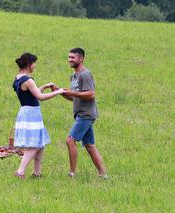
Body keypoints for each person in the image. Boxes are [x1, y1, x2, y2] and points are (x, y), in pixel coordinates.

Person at [13, 52, 65, 180]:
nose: (35, 66)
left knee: (40, 143)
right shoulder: (28, 80)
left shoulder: (18, 78)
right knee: (35, 144)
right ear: (29, 64)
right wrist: (58, 92)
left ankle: (37, 173)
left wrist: (44, 86)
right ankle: (20, 171)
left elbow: (31, 93)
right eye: (34, 63)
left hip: (26, 112)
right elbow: (40, 97)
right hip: (31, 114)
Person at [61, 47, 108, 179]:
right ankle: (103, 174)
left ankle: (72, 173)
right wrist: (61, 93)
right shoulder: (73, 76)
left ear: (81, 59)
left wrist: (72, 93)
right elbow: (74, 97)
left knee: (70, 140)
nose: (70, 60)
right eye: (69, 57)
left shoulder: (85, 74)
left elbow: (91, 94)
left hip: (86, 115)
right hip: (80, 114)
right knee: (89, 145)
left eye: (73, 57)